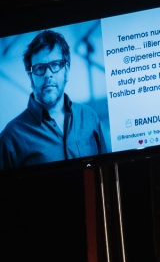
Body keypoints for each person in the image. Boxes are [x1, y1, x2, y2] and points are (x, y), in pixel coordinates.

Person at [0, 30, 107, 169]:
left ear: (66, 70)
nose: (48, 74)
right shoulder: (10, 138)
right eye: (39, 68)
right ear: (31, 76)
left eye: (55, 65)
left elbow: (106, 170)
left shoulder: (89, 117)